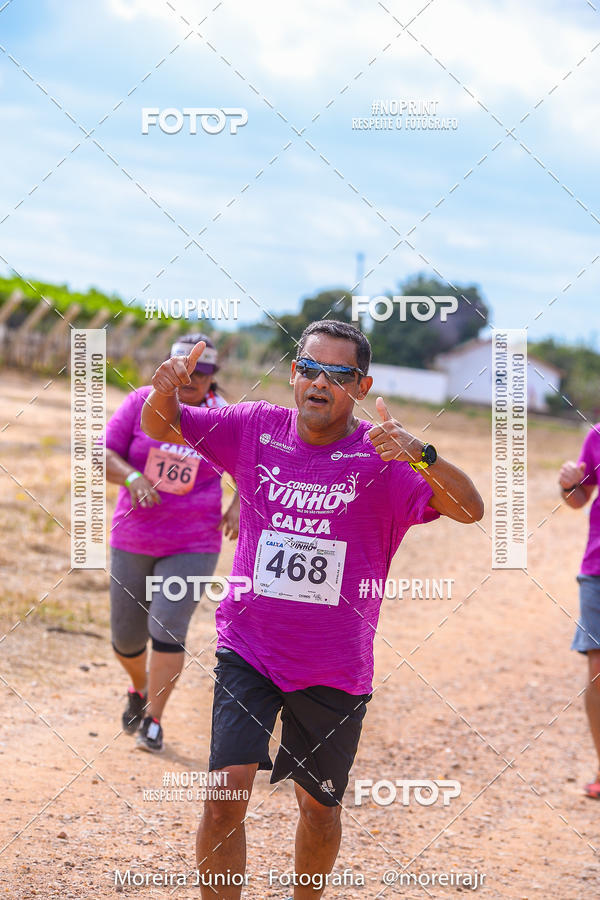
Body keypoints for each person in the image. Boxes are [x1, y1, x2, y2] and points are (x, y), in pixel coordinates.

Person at [141, 320, 484, 898]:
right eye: (308, 368)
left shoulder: (385, 456)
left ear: (362, 384)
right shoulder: (255, 427)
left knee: (318, 809)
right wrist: (163, 390)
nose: (319, 382)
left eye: (338, 373)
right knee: (224, 800)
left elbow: (470, 508)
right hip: (248, 649)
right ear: (294, 374)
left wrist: (422, 455)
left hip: (333, 667)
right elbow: (161, 426)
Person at [105, 333, 239, 753]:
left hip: (194, 541)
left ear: (213, 377)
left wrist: (239, 502)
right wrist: (132, 476)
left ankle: (154, 720)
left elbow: (255, 466)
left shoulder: (224, 416)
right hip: (134, 535)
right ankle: (139, 688)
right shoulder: (139, 402)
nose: (191, 377)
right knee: (126, 639)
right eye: (183, 367)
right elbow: (102, 452)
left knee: (166, 626)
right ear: (168, 367)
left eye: (201, 371)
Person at [559, 426, 600, 796]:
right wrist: (570, 484)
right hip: (598, 571)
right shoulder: (597, 436)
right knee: (597, 670)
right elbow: (578, 499)